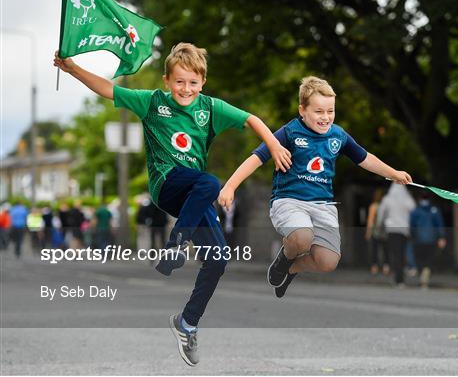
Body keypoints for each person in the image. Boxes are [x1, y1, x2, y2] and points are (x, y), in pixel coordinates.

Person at [54, 42, 291, 366]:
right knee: (209, 181)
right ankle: (175, 245)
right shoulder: (152, 102)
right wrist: (72, 68)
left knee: (219, 259)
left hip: (194, 197)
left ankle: (187, 323)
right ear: (167, 80)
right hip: (167, 185)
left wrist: (275, 145)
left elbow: (251, 119)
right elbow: (108, 89)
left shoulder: (210, 108)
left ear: (203, 83)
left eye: (193, 83)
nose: (186, 89)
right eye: (179, 82)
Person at [219, 76, 411, 297]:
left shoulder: (338, 135)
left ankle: (290, 268)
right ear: (302, 110)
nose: (326, 117)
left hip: (323, 205)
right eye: (319, 111)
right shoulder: (289, 132)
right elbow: (257, 157)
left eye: (330, 111)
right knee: (302, 237)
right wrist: (230, 186)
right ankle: (285, 256)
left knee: (328, 261)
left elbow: (365, 158)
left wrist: (393, 174)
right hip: (289, 200)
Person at [377, 183, 416, 287]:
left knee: (395, 254)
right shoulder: (407, 199)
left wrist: (380, 224)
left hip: (392, 229)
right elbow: (413, 208)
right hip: (404, 230)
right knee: (402, 254)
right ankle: (401, 278)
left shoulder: (387, 199)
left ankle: (398, 279)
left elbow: (381, 213)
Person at [409, 191, 446, 288]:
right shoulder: (434, 210)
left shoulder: (416, 211)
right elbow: (439, 224)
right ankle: (426, 271)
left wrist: (412, 236)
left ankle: (422, 272)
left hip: (419, 238)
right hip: (432, 238)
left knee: (419, 258)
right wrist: (441, 237)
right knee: (429, 258)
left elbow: (412, 225)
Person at [365, 188, 390, 275]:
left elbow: (370, 220)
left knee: (374, 250)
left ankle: (374, 267)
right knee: (386, 250)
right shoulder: (387, 206)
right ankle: (386, 267)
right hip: (386, 231)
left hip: (376, 232)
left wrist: (368, 233)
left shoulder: (374, 206)